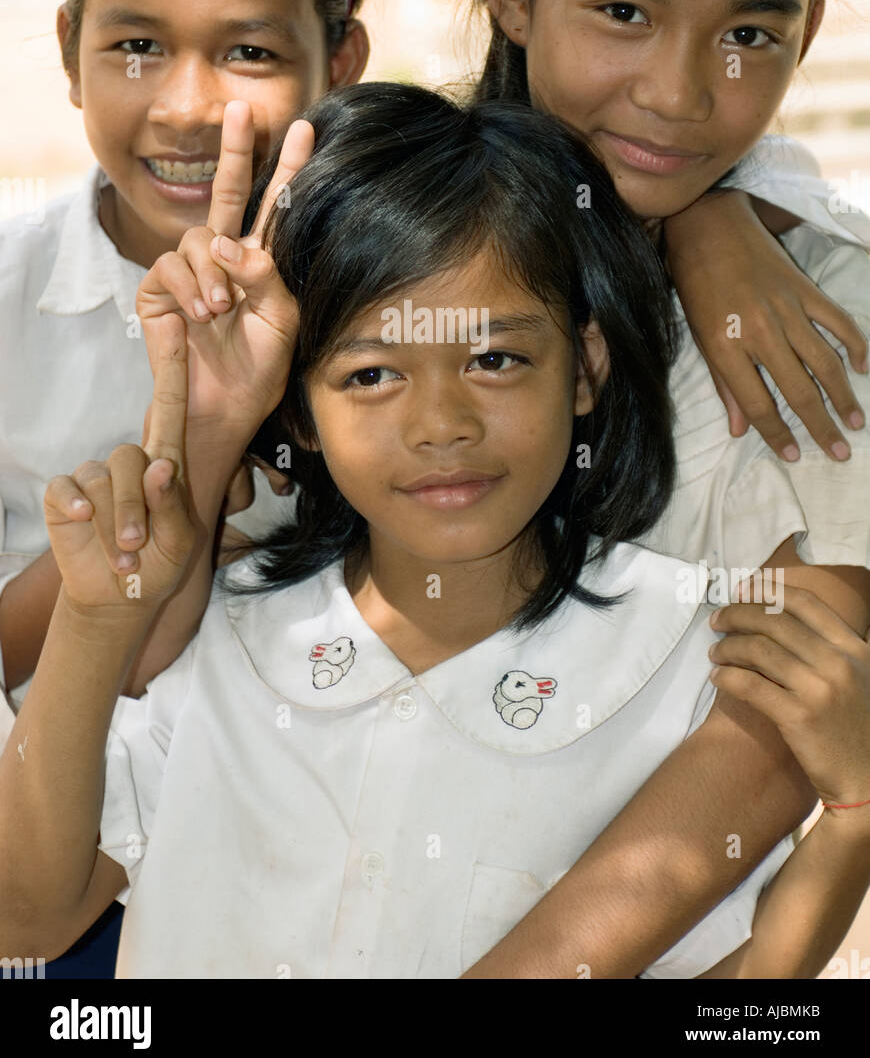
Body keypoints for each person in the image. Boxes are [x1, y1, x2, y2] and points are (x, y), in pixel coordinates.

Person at [2, 82, 869, 978]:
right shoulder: (219, 635)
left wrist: (853, 824)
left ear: (585, 368)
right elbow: (23, 919)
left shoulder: (688, 668)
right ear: (297, 407)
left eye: (495, 359)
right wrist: (96, 621)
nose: (441, 425)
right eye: (373, 375)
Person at [457, 0, 870, 975]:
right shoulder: (392, 234)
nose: (684, 94)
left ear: (804, 40)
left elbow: (776, 716)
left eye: (751, 35)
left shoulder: (824, 308)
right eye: (625, 9)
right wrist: (702, 211)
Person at [0, 0, 374, 972]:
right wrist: (174, 477)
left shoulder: (401, 297)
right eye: (135, 45)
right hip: (45, 865)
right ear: (68, 53)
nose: (185, 105)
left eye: (249, 51)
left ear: (341, 61)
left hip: (291, 880)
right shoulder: (10, 299)